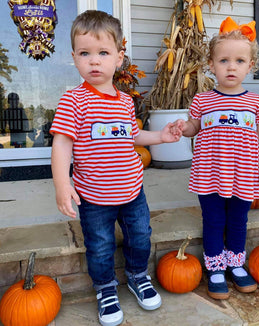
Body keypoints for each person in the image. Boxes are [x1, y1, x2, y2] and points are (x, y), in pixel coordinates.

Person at [50, 10, 181, 326]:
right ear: (74, 58)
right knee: (100, 246)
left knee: (140, 237)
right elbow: (62, 144)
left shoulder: (124, 101)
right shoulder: (73, 101)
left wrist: (161, 136)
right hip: (93, 196)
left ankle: (137, 275)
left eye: (103, 53)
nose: (94, 61)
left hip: (133, 191)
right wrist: (62, 184)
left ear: (119, 57)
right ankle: (105, 288)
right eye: (85, 53)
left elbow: (133, 135)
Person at [173, 17, 259, 300]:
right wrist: (184, 128)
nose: (231, 66)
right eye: (224, 60)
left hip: (243, 172)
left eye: (240, 61)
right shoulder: (202, 100)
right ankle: (216, 267)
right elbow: (195, 128)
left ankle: (235, 262)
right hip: (209, 173)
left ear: (251, 66)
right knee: (214, 220)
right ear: (211, 63)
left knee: (238, 220)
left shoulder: (256, 102)